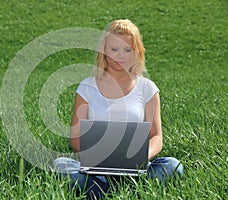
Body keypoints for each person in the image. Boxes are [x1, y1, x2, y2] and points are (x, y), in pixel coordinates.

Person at [52, 19, 183, 199]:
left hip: (137, 168)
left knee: (172, 166)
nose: (120, 56)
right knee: (60, 165)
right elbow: (75, 139)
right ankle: (126, 191)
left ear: (136, 52)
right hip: (95, 168)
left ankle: (105, 190)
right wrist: (100, 158)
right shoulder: (87, 87)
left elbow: (156, 137)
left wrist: (139, 159)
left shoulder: (147, 88)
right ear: (104, 51)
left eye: (127, 50)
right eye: (114, 49)